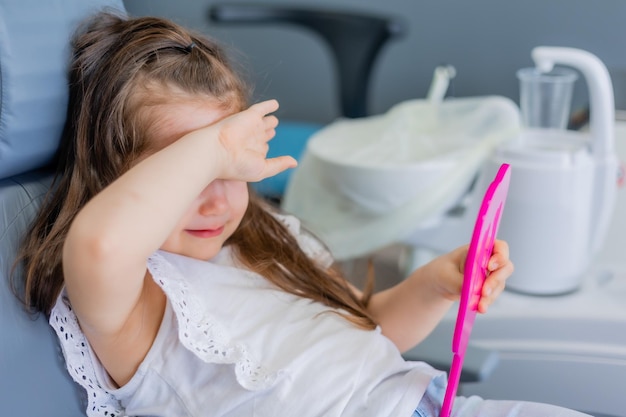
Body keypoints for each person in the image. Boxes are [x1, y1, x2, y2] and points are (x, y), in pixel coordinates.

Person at [17, 10, 590, 417]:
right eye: (190, 170)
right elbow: (101, 244)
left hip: (426, 400)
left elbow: (369, 329)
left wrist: (437, 286)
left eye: (234, 171)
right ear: (118, 177)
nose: (218, 198)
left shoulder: (268, 245)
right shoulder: (136, 302)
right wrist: (215, 146)